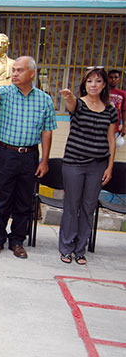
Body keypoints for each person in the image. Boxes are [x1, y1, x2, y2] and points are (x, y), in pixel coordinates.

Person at [0, 56, 57, 259]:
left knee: (24, 202)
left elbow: (47, 132)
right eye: (13, 70)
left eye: (19, 70)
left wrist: (44, 160)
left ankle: (17, 241)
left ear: (31, 73)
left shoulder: (44, 100)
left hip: (30, 156)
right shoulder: (5, 93)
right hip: (5, 154)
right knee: (2, 200)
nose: (14, 73)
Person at [58, 68, 117, 265]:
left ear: (104, 85)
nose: (93, 84)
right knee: (71, 206)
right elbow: (72, 105)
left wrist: (109, 167)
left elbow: (111, 139)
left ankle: (80, 250)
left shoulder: (110, 109)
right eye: (90, 81)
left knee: (88, 207)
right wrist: (69, 97)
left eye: (98, 81)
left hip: (98, 165)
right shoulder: (79, 103)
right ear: (85, 84)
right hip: (74, 163)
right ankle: (66, 248)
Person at [108, 69, 126, 136]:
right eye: (111, 77)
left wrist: (124, 126)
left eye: (116, 77)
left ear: (119, 79)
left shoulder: (123, 94)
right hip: (102, 125)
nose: (113, 79)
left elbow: (124, 110)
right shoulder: (103, 92)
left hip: (115, 127)